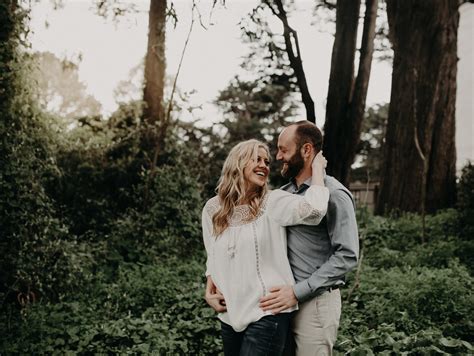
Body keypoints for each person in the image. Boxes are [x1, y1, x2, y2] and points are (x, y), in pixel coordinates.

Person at [202, 139, 329, 356]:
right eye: (257, 159)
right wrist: (209, 288)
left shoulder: (273, 201)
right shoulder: (212, 208)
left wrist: (317, 169)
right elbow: (212, 254)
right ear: (238, 163)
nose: (264, 165)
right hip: (230, 314)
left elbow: (315, 211)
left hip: (267, 312)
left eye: (267, 162)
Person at [259, 121, 359, 356]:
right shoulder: (283, 194)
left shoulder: (335, 194)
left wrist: (298, 291)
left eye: (284, 149)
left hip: (315, 304)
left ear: (306, 150)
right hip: (281, 303)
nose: (278, 156)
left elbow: (347, 256)